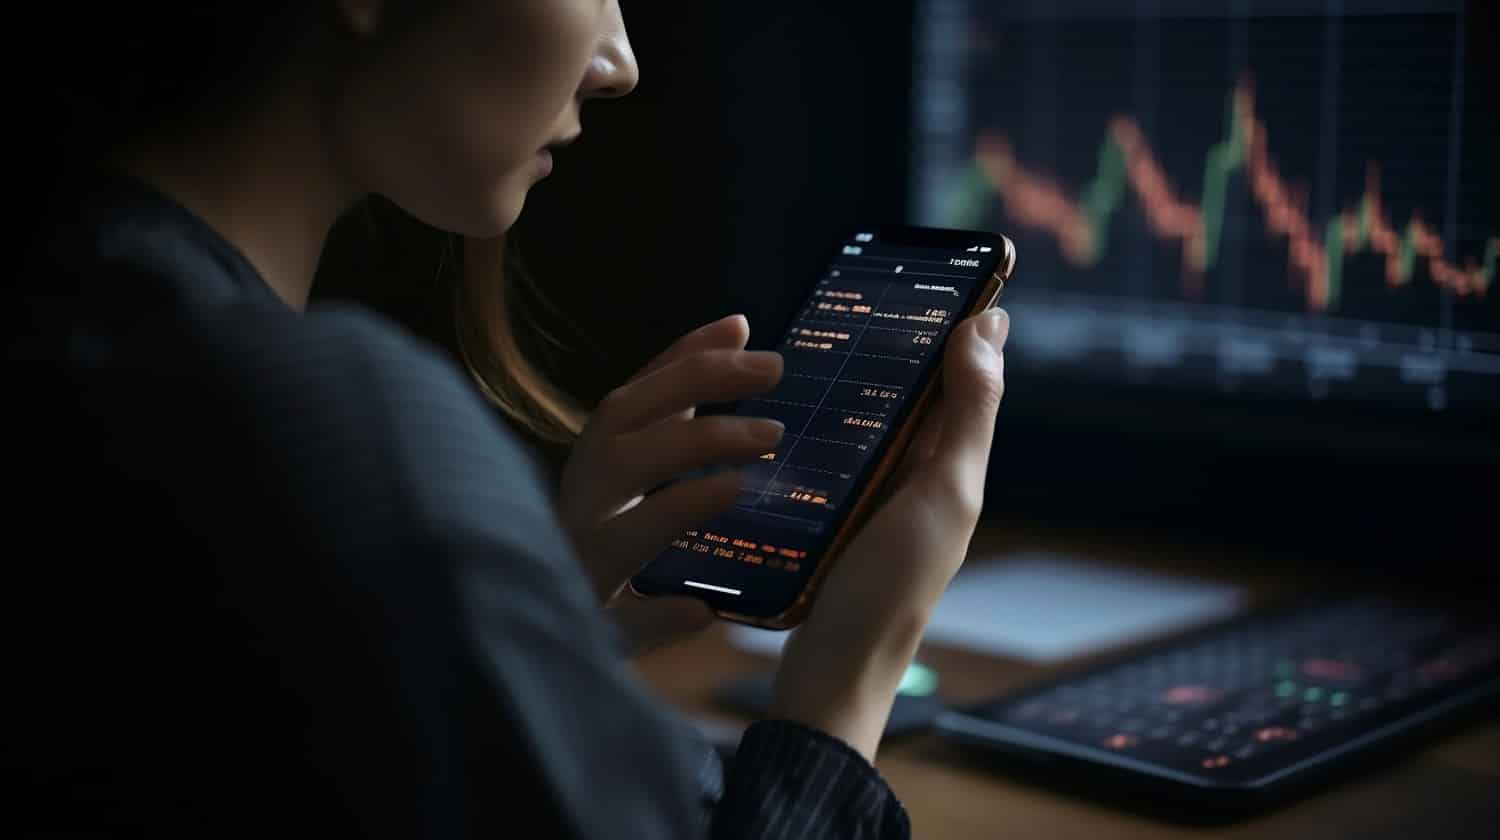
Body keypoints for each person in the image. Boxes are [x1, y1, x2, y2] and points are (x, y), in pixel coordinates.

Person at [6, 2, 1010, 837]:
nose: (618, 61)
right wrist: (854, 667)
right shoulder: (338, 423)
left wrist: (517, 625)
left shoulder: (84, 310)